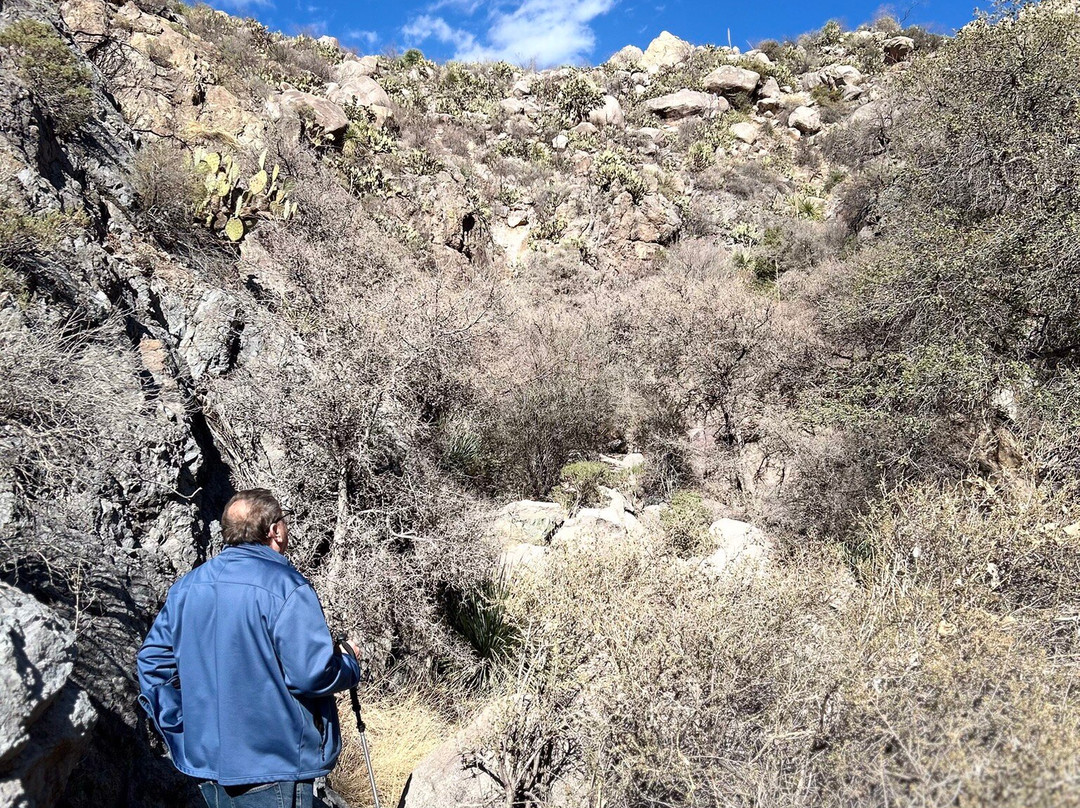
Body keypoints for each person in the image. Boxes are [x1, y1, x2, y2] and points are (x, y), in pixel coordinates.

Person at [137, 488, 361, 808]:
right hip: (274, 765)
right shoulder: (287, 586)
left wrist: (180, 727)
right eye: (283, 521)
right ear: (275, 531)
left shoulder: (187, 588)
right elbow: (311, 675)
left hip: (205, 767)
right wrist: (349, 662)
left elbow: (152, 663)